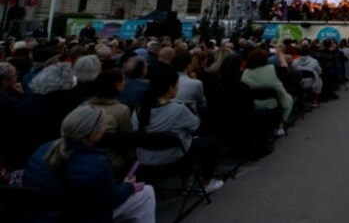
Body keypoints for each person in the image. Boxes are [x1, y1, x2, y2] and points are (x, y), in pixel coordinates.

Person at [24, 105, 156, 222]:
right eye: (103, 126)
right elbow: (112, 199)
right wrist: (129, 186)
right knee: (147, 192)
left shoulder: (42, 150)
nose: (105, 129)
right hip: (79, 215)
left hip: (43, 215)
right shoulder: (97, 164)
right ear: (94, 135)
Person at [132, 70, 224, 195]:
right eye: (177, 85)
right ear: (170, 88)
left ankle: (188, 179)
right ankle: (207, 182)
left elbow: (134, 129)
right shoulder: (179, 109)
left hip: (145, 157)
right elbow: (195, 126)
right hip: (175, 156)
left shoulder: (139, 110)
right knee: (210, 141)